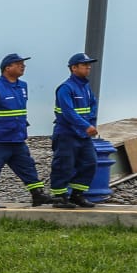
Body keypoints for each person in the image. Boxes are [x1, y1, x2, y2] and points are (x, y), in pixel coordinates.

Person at [0, 54, 50, 208]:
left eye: (23, 64)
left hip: (17, 138)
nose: (22, 66)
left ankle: (37, 195)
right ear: (7, 67)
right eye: (18, 64)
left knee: (28, 167)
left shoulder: (22, 86)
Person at [49, 53, 100, 209]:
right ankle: (60, 197)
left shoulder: (85, 87)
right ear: (73, 68)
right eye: (85, 65)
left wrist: (89, 123)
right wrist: (85, 125)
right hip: (66, 134)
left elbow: (93, 105)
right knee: (64, 165)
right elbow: (68, 112)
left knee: (90, 162)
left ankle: (77, 195)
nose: (88, 67)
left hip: (82, 136)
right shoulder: (66, 88)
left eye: (89, 65)